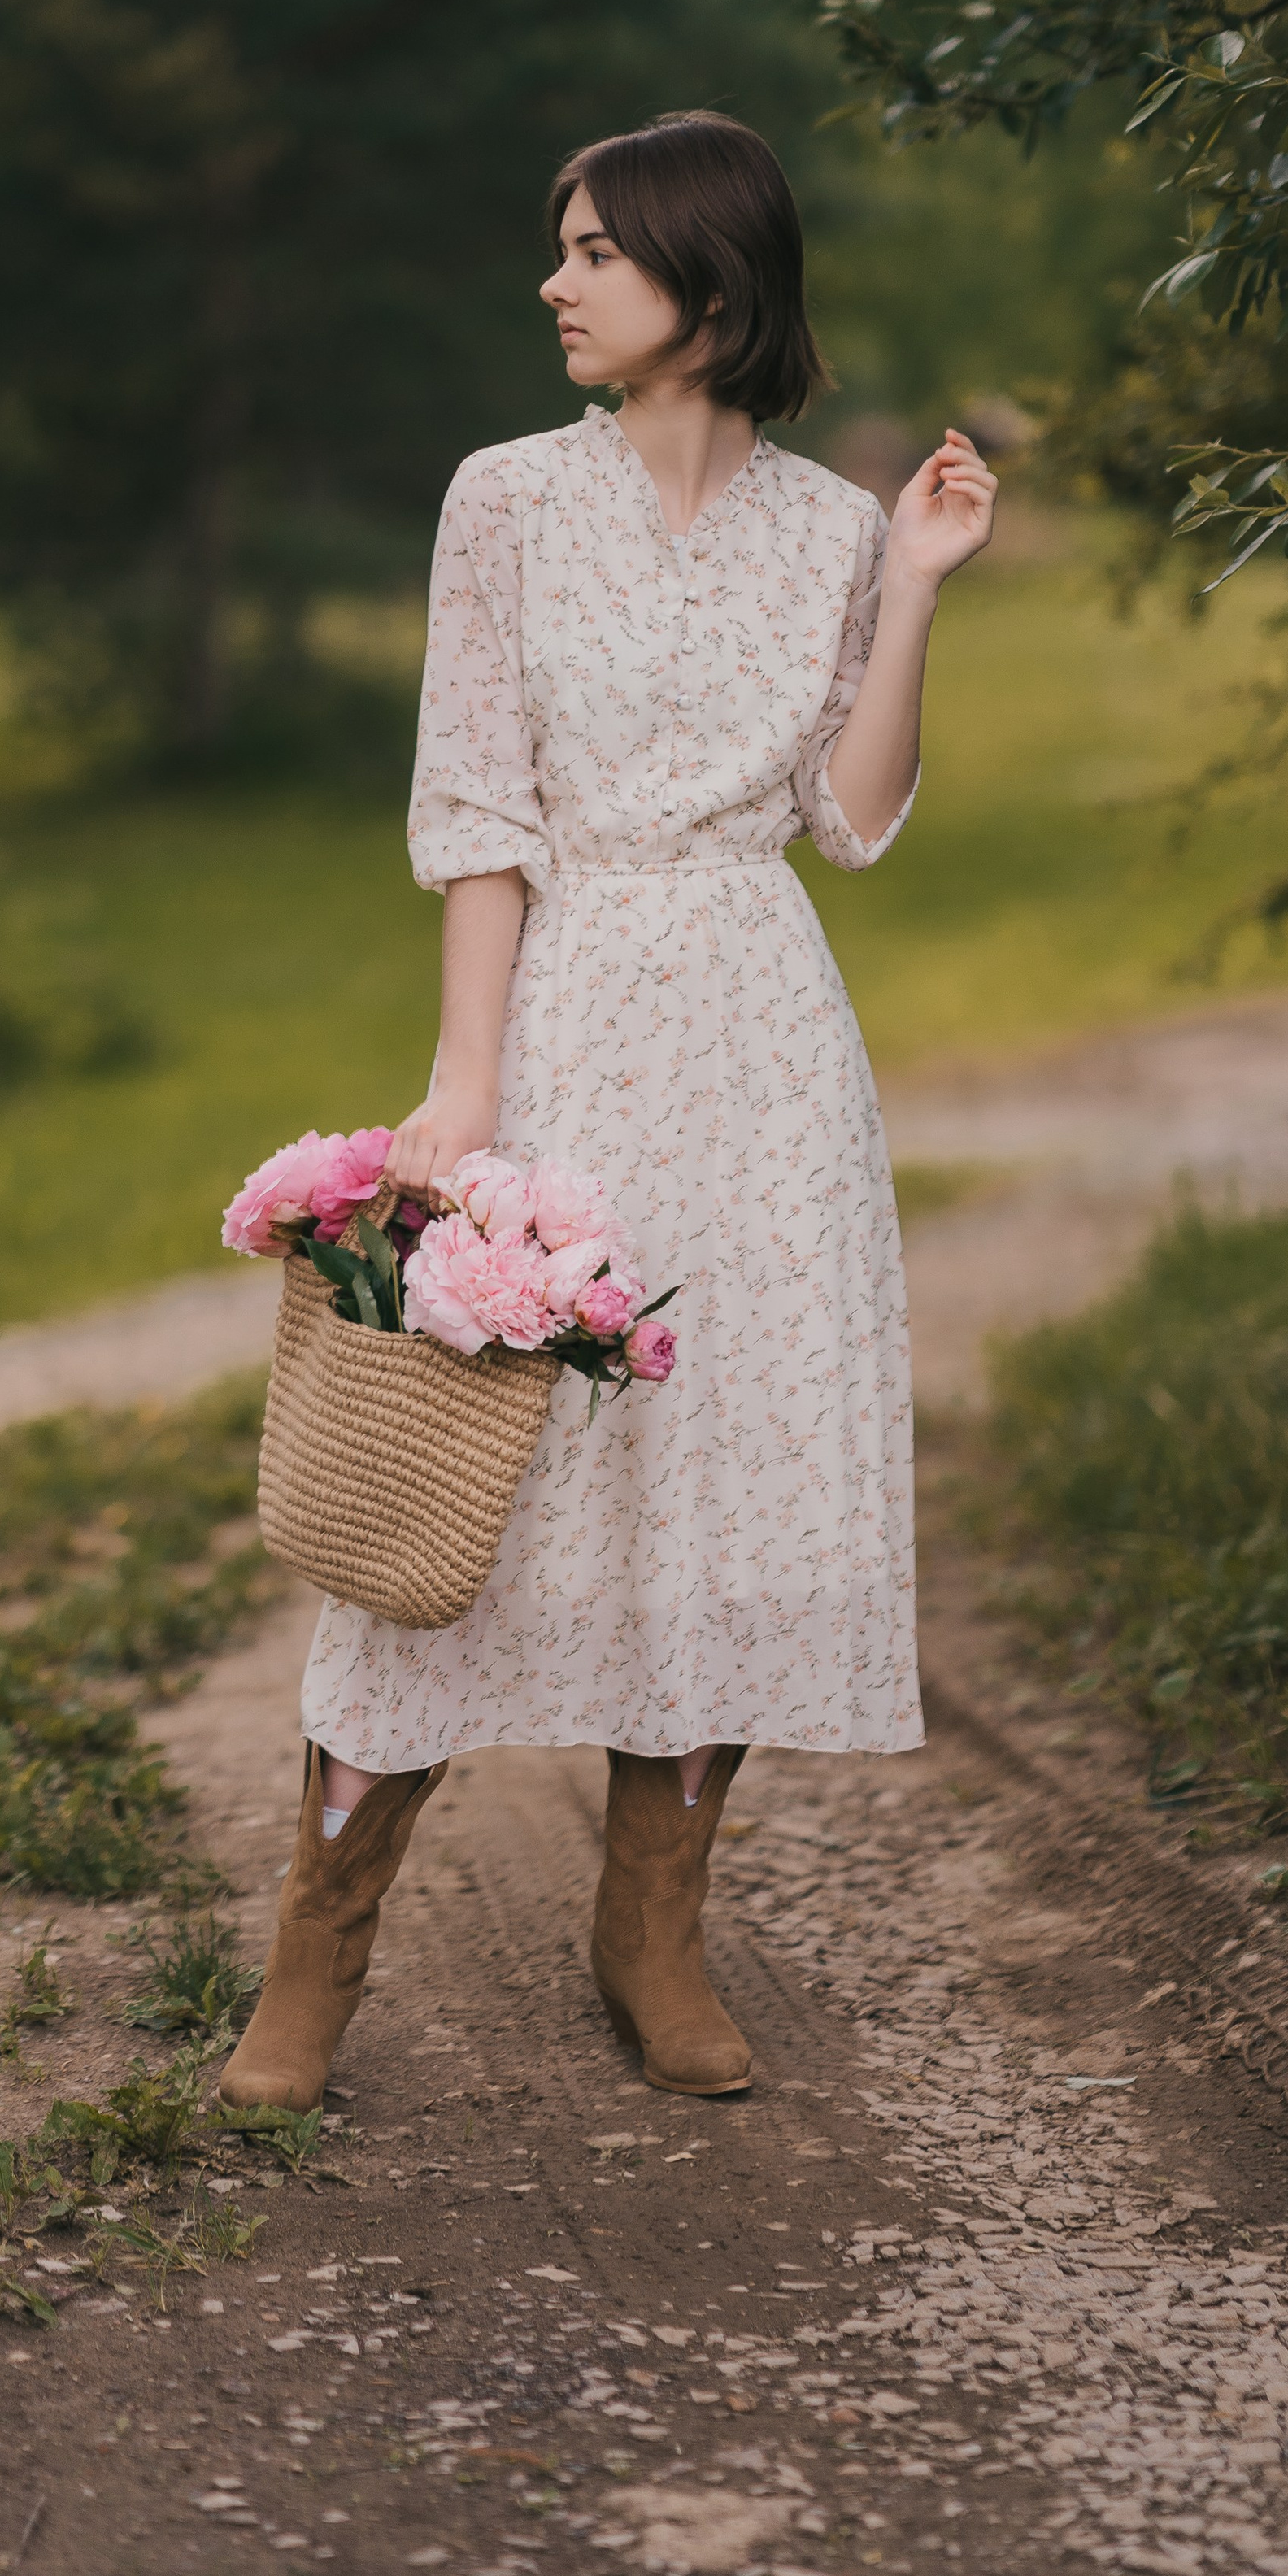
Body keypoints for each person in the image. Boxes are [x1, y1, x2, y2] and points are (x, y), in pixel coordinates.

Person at [219, 110, 996, 2110]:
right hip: (565, 1014)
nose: (552, 283)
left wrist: (911, 584)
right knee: (461, 1495)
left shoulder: (833, 524)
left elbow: (854, 815)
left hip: (759, 1041)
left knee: (716, 1474)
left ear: (708, 289)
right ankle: (316, 1962)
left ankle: (650, 1934)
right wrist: (466, 1082)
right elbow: (476, 804)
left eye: (590, 253)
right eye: (554, 249)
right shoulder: (501, 499)